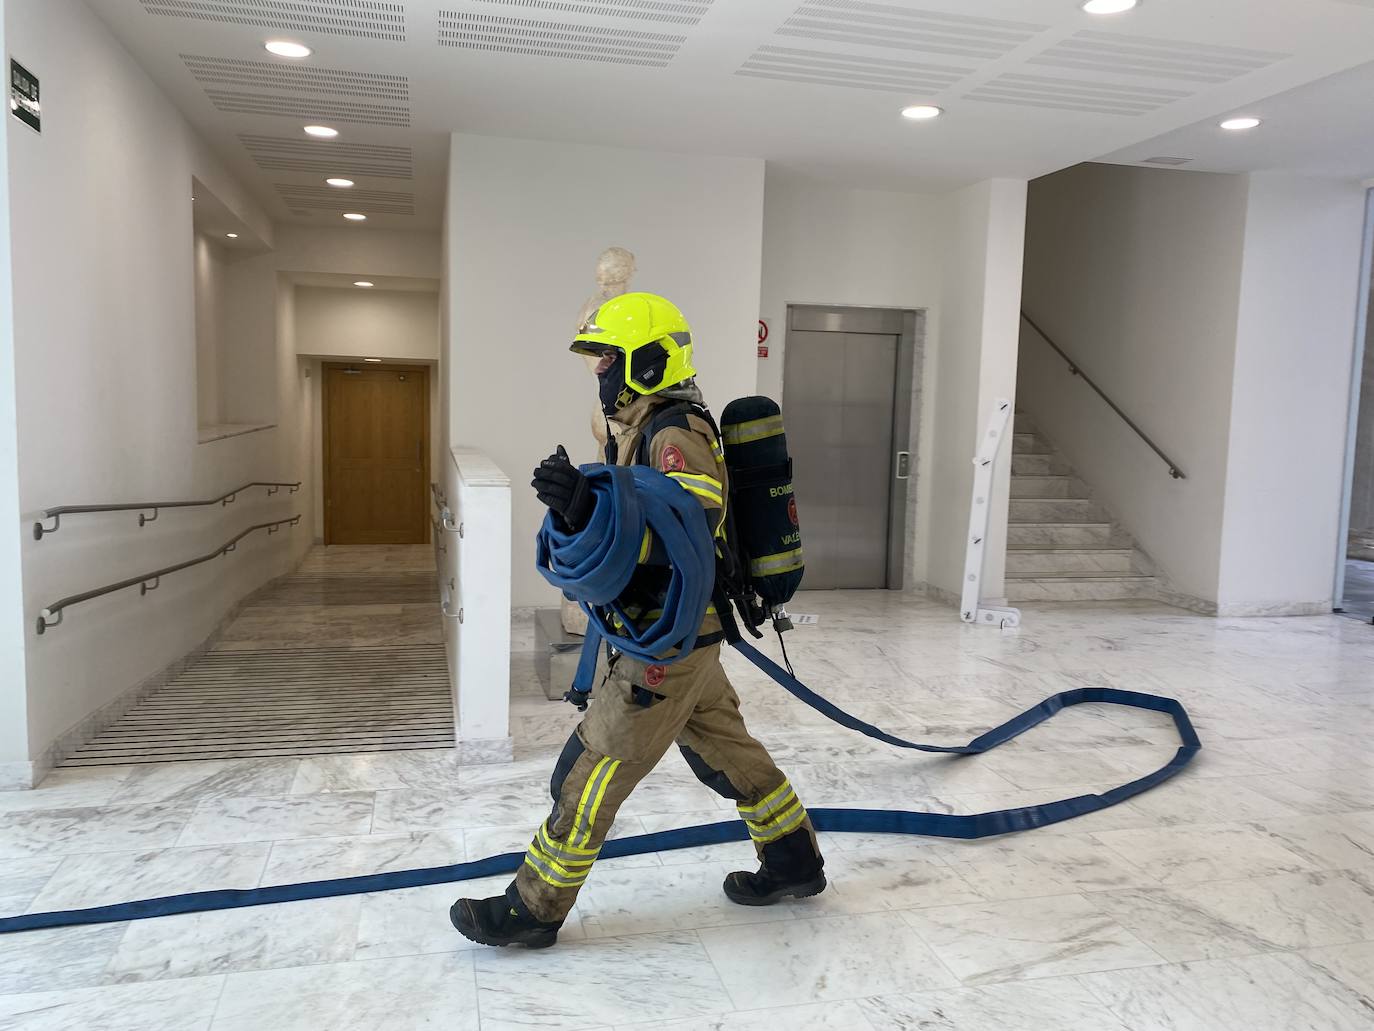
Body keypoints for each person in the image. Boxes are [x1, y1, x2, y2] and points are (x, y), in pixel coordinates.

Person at [450, 292, 826, 949]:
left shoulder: (674, 432)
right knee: (730, 756)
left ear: (646, 362)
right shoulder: (642, 427)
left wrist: (588, 511)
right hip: (683, 635)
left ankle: (533, 908)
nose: (599, 371)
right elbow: (644, 516)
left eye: (607, 358)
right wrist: (581, 505)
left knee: (591, 769)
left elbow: (686, 533)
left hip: (668, 640)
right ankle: (794, 860)